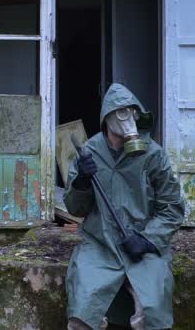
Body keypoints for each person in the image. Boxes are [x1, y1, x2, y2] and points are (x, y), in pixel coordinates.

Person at [65, 83, 185, 330]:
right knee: (82, 312)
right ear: (108, 117)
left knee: (152, 312)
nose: (128, 119)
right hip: (100, 244)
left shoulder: (153, 155)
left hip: (142, 248)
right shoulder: (90, 152)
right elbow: (76, 209)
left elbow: (172, 207)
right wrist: (81, 181)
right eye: (122, 113)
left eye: (133, 112)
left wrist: (148, 239)